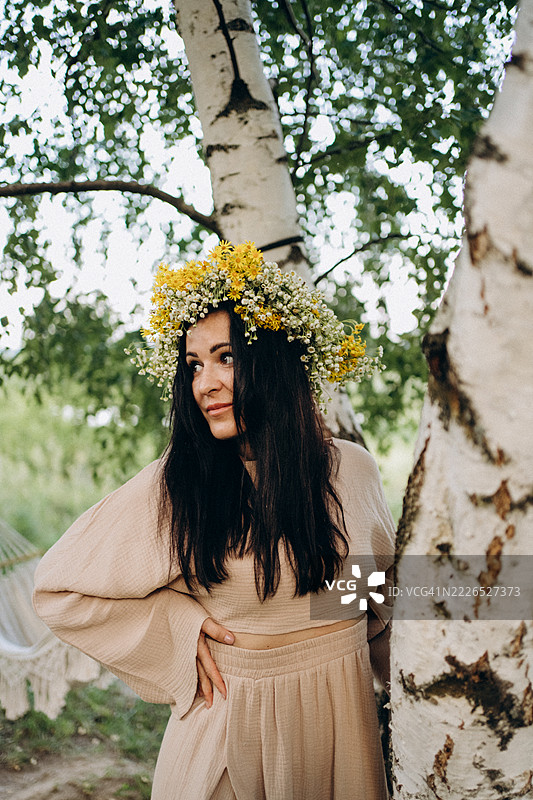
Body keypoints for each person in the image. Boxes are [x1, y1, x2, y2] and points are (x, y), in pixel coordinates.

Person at [33, 241, 395, 800]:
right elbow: (58, 588)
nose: (206, 383)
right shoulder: (179, 485)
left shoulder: (351, 471)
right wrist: (180, 627)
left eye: (226, 358)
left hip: (340, 739)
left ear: (274, 363)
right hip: (225, 738)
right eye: (194, 365)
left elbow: (373, 603)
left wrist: (512, 587)